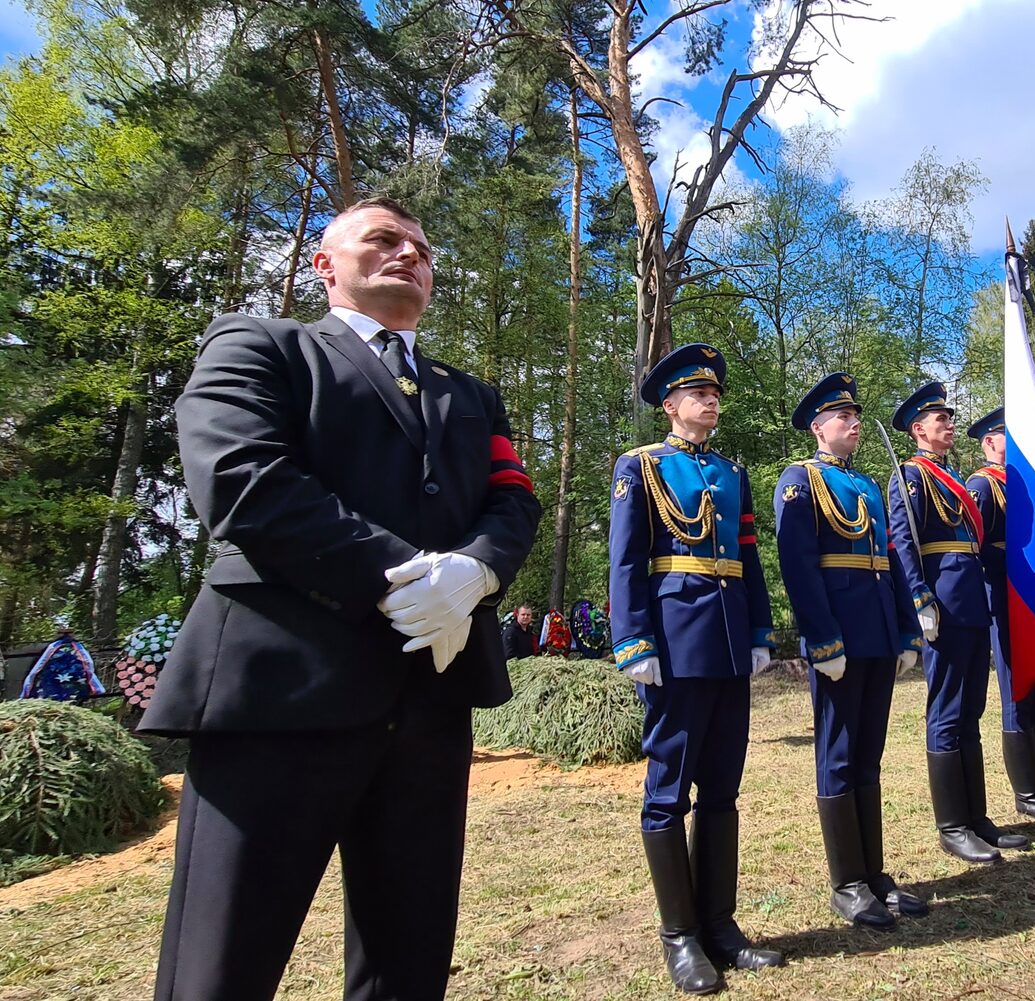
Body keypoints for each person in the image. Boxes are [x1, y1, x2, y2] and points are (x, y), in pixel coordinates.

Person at [142, 196, 541, 1001]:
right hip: (280, 691)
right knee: (222, 964)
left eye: (422, 248)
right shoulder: (259, 344)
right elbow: (242, 479)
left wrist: (475, 572)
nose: (409, 255)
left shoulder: (472, 395)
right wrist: (406, 577)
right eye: (384, 239)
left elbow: (514, 500)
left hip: (430, 696)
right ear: (324, 265)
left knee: (410, 959)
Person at [608, 343, 782, 994]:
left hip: (731, 642)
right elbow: (626, 560)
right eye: (697, 393)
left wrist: (761, 628)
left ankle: (721, 926)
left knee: (723, 788)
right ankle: (680, 936)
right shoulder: (640, 467)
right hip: (675, 644)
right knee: (667, 790)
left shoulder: (732, 473)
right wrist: (633, 642)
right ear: (670, 404)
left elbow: (749, 555)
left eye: (714, 392)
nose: (710, 401)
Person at [775, 372, 929, 930]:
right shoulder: (799, 480)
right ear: (819, 428)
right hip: (839, 634)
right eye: (843, 417)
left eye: (856, 417)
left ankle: (874, 874)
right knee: (838, 755)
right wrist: (822, 638)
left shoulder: (864, 485)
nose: (854, 424)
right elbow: (798, 566)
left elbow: (890, 563)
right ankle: (847, 882)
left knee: (869, 754)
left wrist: (906, 633)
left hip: (878, 633)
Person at [887, 381, 1027, 864]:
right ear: (917, 430)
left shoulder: (952, 477)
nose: (948, 424)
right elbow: (904, 542)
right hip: (941, 607)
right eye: (939, 420)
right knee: (946, 714)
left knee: (971, 713)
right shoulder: (911, 475)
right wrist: (919, 598)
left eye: (949, 417)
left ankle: (978, 819)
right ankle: (952, 825)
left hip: (970, 603)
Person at [967, 406, 1035, 824]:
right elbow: (981, 545)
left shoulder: (1024, 486)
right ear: (990, 443)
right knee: (1019, 691)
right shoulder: (982, 484)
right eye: (1004, 437)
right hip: (1008, 598)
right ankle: (1028, 791)